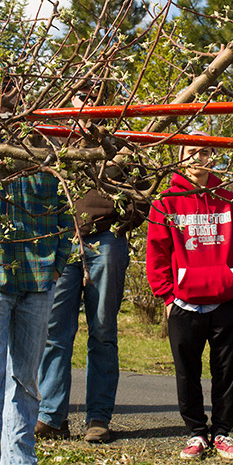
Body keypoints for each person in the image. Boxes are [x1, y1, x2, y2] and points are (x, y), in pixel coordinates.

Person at [36, 84, 149, 443]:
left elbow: (144, 193)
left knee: (103, 331)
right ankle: (52, 415)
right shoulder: (56, 140)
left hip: (106, 242)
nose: (88, 102)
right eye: (82, 95)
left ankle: (98, 418)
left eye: (96, 96)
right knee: (56, 332)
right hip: (64, 242)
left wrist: (119, 225)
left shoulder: (122, 146)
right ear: (71, 99)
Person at [146, 137, 233, 460]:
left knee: (227, 372)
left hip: (226, 301)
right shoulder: (165, 201)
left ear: (212, 156)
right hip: (185, 303)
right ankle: (196, 433)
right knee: (187, 372)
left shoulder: (229, 197)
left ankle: (223, 433)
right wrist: (166, 295)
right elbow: (157, 252)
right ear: (179, 158)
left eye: (204, 152)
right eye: (190, 153)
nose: (197, 159)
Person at [0, 74, 74, 464]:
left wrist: (59, 263)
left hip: (39, 279)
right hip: (0, 277)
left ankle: (18, 457)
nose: (12, 99)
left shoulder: (46, 148)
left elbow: (65, 211)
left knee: (26, 381)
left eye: (16, 91)